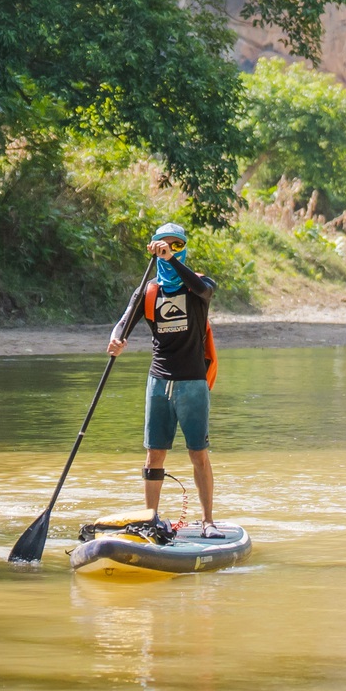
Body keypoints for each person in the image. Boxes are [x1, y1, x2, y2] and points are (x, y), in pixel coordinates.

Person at [108, 223, 224, 536]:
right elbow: (123, 323)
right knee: (154, 453)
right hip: (158, 382)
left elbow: (205, 291)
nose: (169, 248)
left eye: (176, 244)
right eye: (164, 244)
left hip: (193, 383)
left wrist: (172, 260)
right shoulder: (148, 292)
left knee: (197, 453)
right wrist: (116, 340)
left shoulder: (198, 286)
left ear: (183, 248)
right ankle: (150, 518)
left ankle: (208, 521)